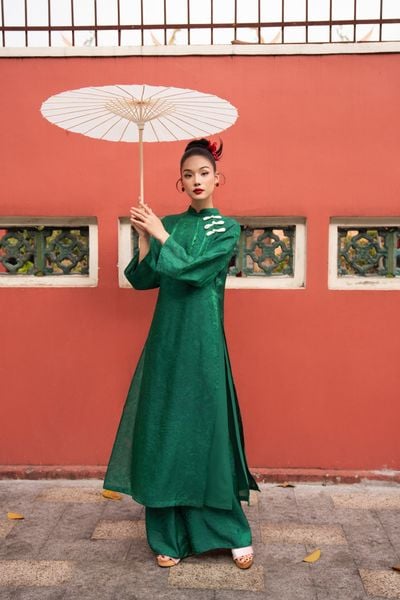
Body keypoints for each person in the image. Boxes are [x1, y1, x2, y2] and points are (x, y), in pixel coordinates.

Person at [103, 137, 260, 569]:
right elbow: (144, 279)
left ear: (218, 178)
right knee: (165, 432)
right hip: (167, 339)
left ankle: (231, 530)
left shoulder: (226, 229)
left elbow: (194, 272)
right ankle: (167, 536)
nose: (196, 180)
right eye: (188, 175)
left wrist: (159, 233)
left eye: (204, 173)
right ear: (180, 182)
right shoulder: (169, 222)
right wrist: (144, 240)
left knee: (207, 436)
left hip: (204, 341)